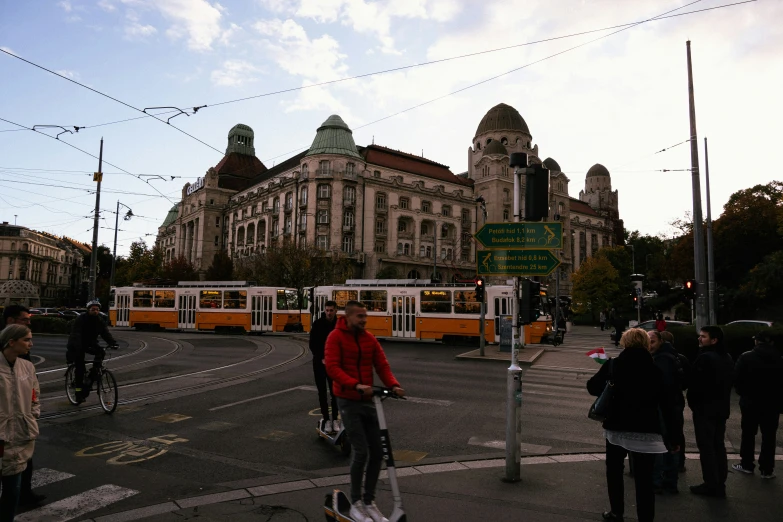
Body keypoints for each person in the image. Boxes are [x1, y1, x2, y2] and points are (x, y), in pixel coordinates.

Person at [587, 328, 679, 522]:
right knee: (644, 479)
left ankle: (616, 512)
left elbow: (592, 387)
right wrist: (673, 436)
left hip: (616, 427)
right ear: (646, 343)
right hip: (647, 429)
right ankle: (645, 517)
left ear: (625, 342)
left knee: (614, 472)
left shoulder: (614, 365)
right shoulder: (656, 368)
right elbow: (668, 406)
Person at [325, 301, 404, 522]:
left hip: (369, 400)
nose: (364, 320)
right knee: (361, 452)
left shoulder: (368, 338)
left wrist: (394, 385)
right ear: (348, 317)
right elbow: (332, 367)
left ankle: (369, 502)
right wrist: (355, 384)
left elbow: (381, 364)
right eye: (360, 316)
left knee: (378, 452)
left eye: (365, 316)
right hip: (348, 400)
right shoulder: (335, 337)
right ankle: (356, 503)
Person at [2, 306, 45, 507]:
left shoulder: (25, 363)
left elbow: (34, 393)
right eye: (24, 320)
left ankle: (24, 496)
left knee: (16, 481)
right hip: (2, 431)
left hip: (22, 428)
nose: (28, 322)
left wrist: (32, 414)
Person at [687, 325, 734, 497]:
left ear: (714, 340)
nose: (700, 339)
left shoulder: (705, 358)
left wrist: (694, 404)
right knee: (718, 446)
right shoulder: (726, 357)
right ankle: (719, 482)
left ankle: (711, 483)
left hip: (705, 410)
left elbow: (695, 385)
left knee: (706, 447)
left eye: (703, 337)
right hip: (721, 409)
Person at [732, 330, 783, 479]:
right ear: (772, 342)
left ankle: (747, 464)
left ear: (756, 341)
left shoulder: (746, 357)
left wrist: (743, 393)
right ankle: (767, 469)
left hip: (750, 402)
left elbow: (737, 379)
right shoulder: (779, 359)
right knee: (769, 436)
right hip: (772, 403)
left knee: (748, 433)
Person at [647, 330, 685, 494]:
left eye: (653, 341)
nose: (649, 345)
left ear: (661, 341)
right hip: (672, 405)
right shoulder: (672, 356)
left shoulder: (662, 360)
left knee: (665, 444)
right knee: (670, 442)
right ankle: (668, 481)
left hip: (666, 407)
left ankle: (664, 482)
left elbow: (663, 387)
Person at [66, 301, 118, 403]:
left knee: (101, 352)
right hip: (77, 344)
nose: (95, 311)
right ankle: (78, 393)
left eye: (97, 310)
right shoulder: (81, 319)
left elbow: (105, 333)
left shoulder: (99, 320)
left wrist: (113, 343)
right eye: (93, 309)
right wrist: (78, 345)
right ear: (88, 310)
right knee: (80, 368)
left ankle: (93, 373)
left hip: (90, 343)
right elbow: (76, 333)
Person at [309, 300, 339, 432]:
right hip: (319, 363)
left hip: (334, 364)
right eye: (327, 310)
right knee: (322, 392)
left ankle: (335, 420)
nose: (329, 313)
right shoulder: (318, 324)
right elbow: (313, 343)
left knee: (335, 392)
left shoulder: (339, 325)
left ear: (336, 310)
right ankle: (326, 419)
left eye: (331, 310)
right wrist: (321, 357)